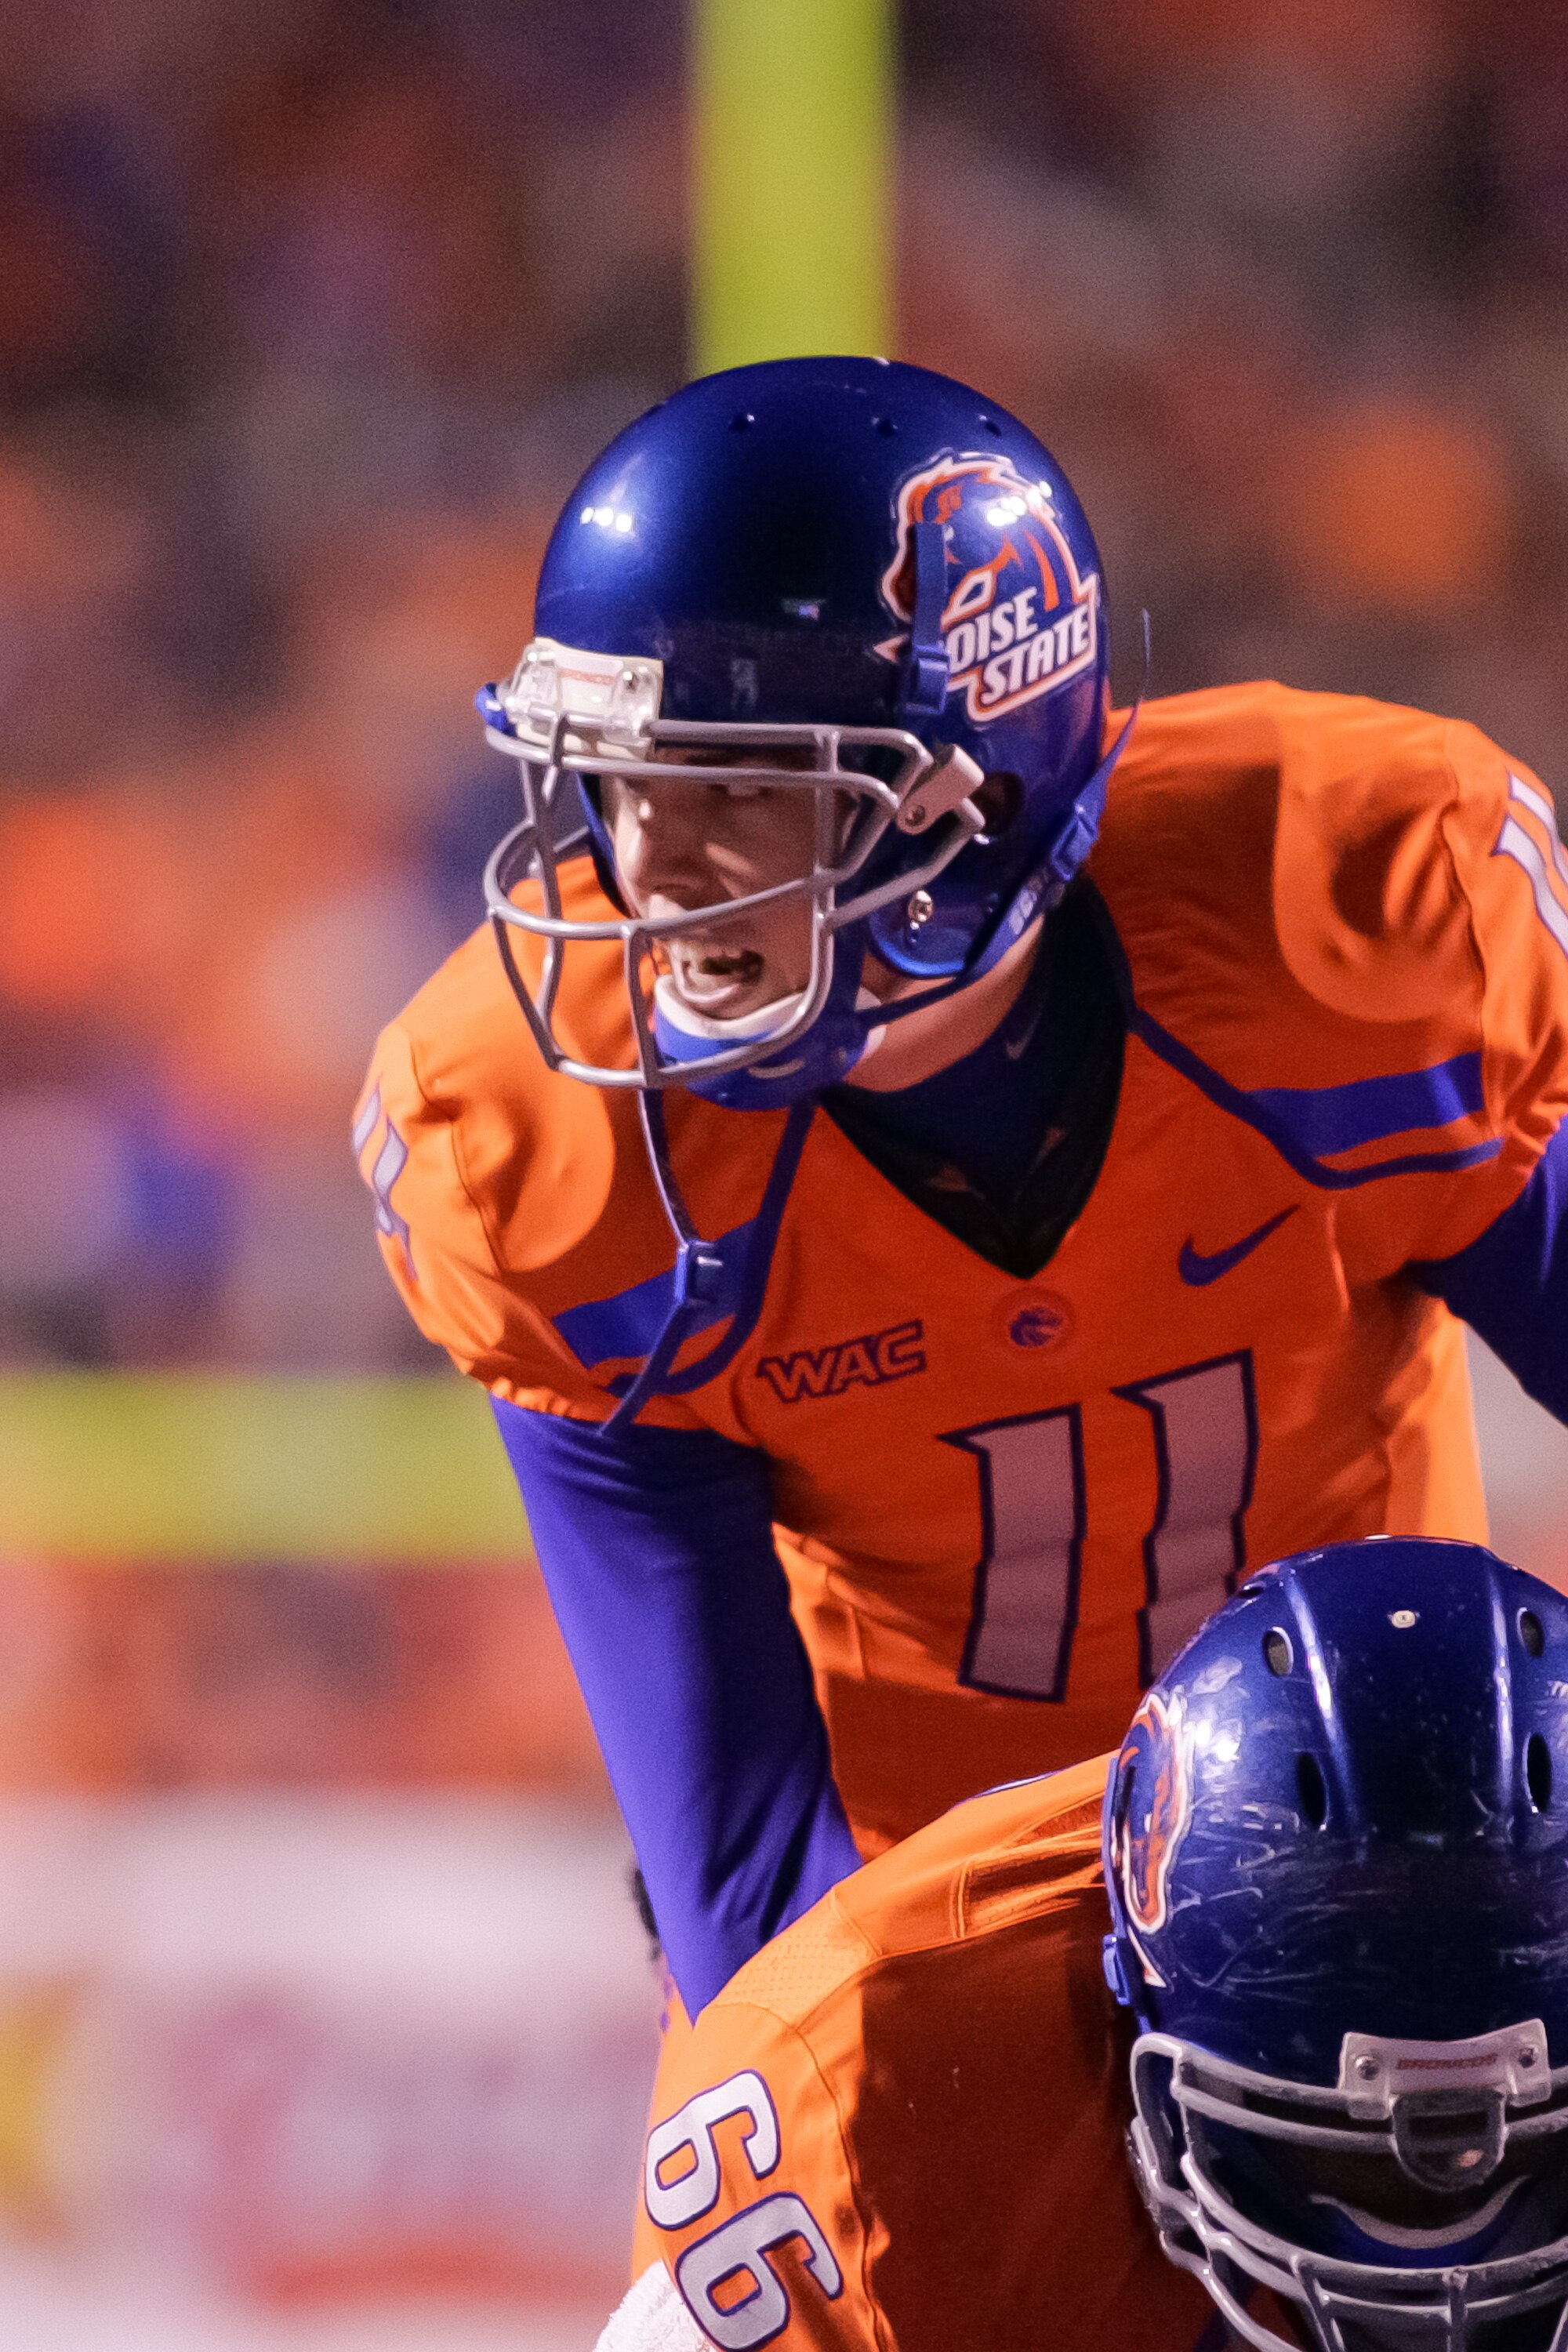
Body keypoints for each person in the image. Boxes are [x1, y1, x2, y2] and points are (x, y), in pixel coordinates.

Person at [355, 357, 1568, 2045]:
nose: (651, 868)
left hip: (1417, 1865)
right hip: (927, 1914)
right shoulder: (556, 1147)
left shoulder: (1335, 930)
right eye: (622, 786)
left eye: (735, 789)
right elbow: (739, 1865)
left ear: (967, 785)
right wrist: (877, 2079)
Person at [601, 1537, 1568, 2352]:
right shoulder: (855, 2081)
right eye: (1356, 2164)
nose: (1446, 2269)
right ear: (1132, 1984)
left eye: (1520, 2151)